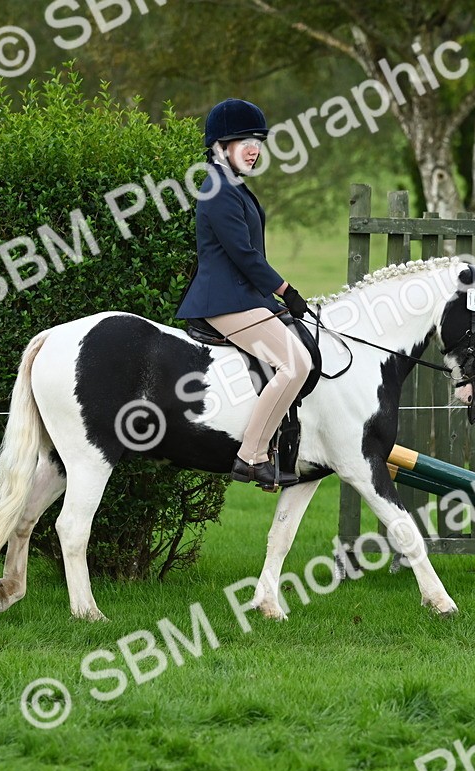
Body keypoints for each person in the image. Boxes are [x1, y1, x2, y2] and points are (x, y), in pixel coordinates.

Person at [176, 98, 313, 488]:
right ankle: (250, 456)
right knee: (295, 364)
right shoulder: (217, 188)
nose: (255, 149)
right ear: (220, 146)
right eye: (244, 141)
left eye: (258, 141)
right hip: (226, 301)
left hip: (244, 297)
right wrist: (286, 290)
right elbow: (245, 255)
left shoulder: (231, 185)